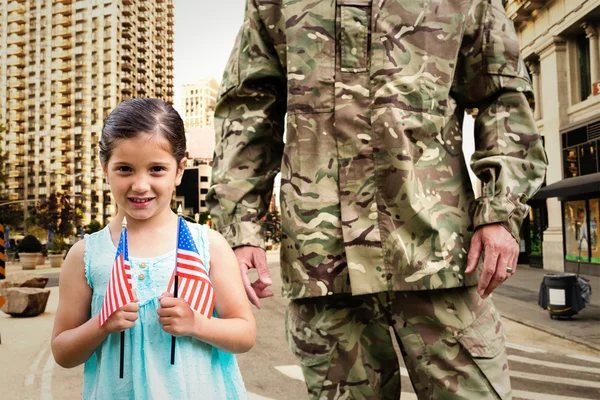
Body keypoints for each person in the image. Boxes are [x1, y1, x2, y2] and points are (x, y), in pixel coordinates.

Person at [209, 0, 548, 399]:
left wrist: (500, 209)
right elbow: (249, 108)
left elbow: (502, 95)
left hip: (438, 254)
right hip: (323, 263)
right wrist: (243, 227)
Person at [51, 98, 254, 399]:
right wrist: (101, 325)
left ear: (180, 169)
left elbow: (245, 334)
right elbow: (62, 352)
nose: (141, 185)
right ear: (105, 168)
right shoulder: (85, 255)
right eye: (125, 169)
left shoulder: (207, 245)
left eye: (157, 169)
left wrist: (197, 323)